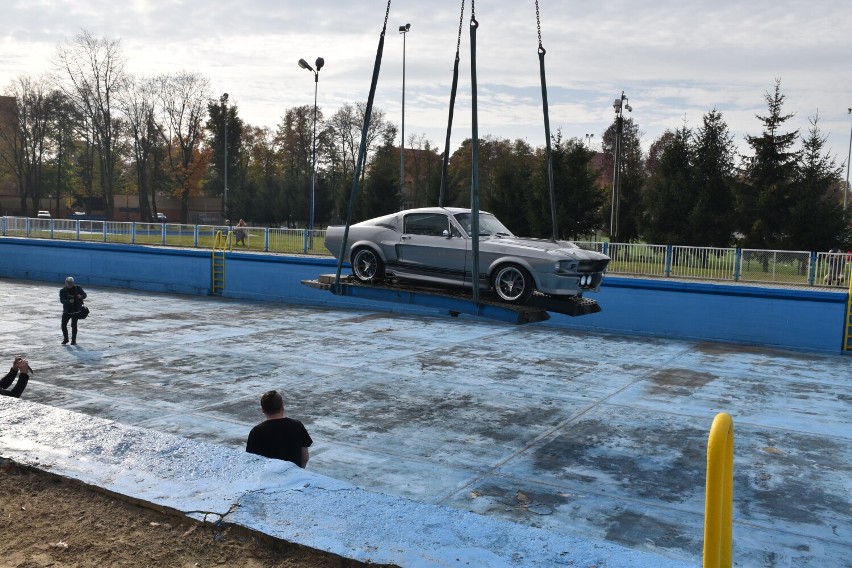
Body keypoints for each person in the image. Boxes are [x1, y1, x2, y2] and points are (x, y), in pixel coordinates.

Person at [246, 390, 312, 468]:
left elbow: (251, 460)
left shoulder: (256, 432)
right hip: (292, 475)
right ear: (282, 407)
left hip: (269, 477)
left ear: (263, 410)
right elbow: (305, 457)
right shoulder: (297, 425)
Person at [59, 276, 87, 345]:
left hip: (75, 310)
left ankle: (73, 340)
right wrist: (68, 301)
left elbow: (85, 295)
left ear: (73, 282)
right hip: (67, 311)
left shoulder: (78, 288)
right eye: (68, 283)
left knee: (74, 325)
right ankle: (66, 339)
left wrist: (81, 296)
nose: (69, 284)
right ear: (65, 283)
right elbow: (62, 300)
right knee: (63, 325)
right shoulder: (62, 291)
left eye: (71, 283)